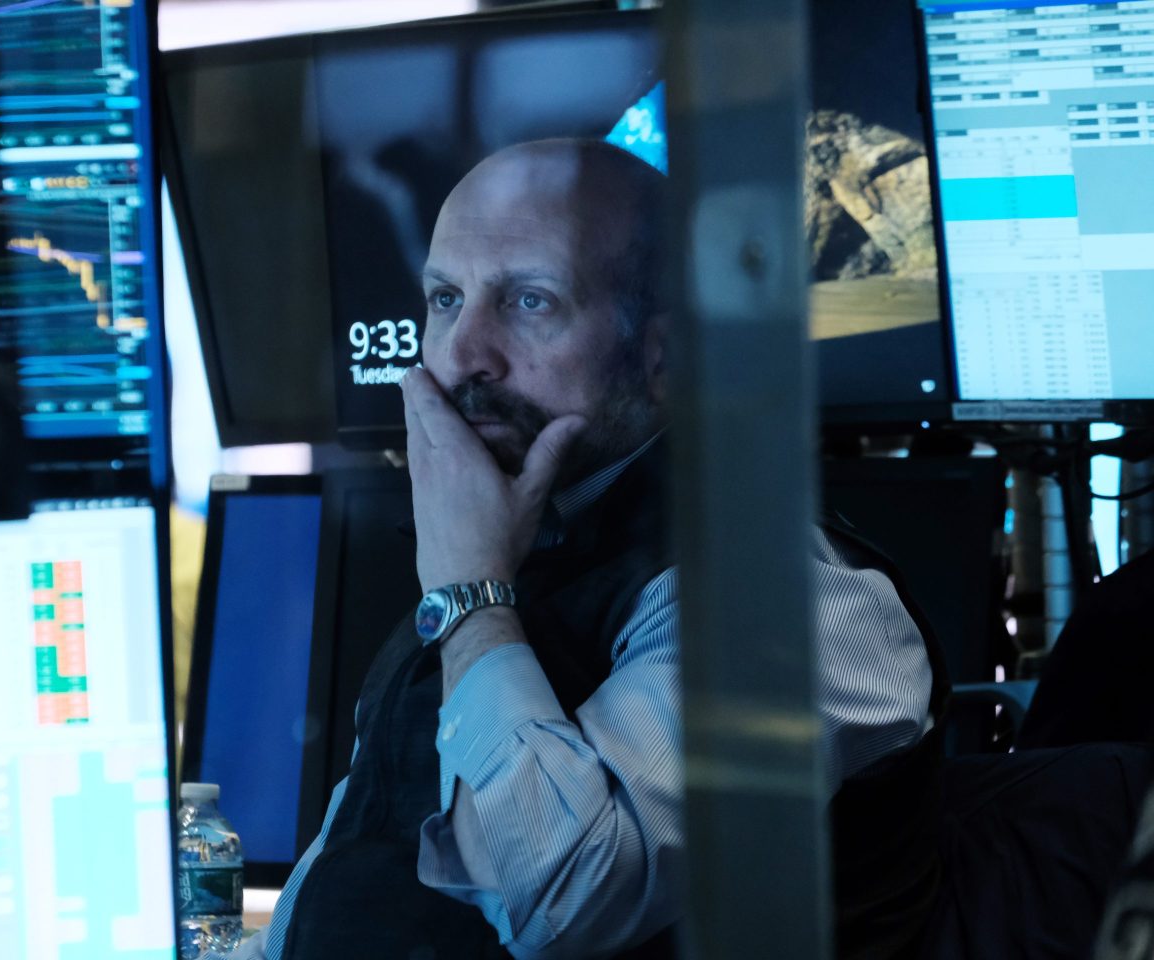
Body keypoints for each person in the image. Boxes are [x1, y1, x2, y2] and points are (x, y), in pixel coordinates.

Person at [231, 138, 937, 960]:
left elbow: (561, 899)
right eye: (446, 299)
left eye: (530, 302)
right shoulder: (508, 558)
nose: (463, 355)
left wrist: (467, 596)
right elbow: (344, 885)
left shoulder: (791, 601)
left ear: (666, 358)